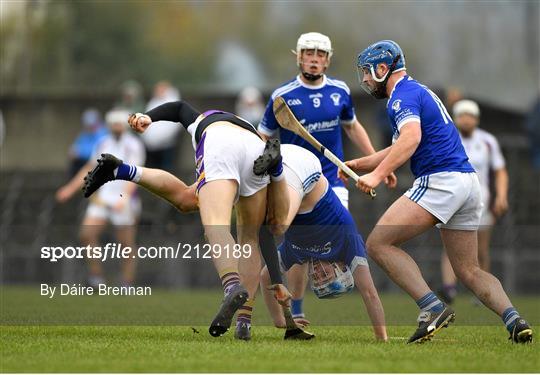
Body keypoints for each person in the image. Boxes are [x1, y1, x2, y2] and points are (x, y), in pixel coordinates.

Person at [82, 143, 387, 342]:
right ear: (341, 268)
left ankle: (124, 170)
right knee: (278, 223)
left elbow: (268, 277)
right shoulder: (348, 239)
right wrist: (382, 338)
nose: (318, 275)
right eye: (326, 276)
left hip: (251, 162)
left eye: (317, 281)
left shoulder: (299, 253)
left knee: (191, 201)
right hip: (303, 170)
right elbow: (371, 294)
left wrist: (284, 322)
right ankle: (276, 167)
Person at [343, 40, 532, 344]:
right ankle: (515, 321)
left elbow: (411, 140)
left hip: (441, 181)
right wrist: (361, 163)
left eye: (367, 71)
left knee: (378, 244)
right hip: (468, 184)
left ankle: (432, 308)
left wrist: (377, 175)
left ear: (382, 68)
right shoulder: (417, 91)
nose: (364, 79)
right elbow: (399, 145)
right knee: (468, 270)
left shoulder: (400, 97)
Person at [117, 100, 291, 337]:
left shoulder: (203, 122)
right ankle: (244, 322)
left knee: (216, 224)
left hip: (220, 144)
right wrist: (277, 278)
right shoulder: (244, 126)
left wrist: (147, 116)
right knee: (250, 239)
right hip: (256, 148)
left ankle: (231, 285)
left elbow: (178, 108)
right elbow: (266, 234)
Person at [257, 32, 396, 323]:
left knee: (324, 242)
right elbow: (263, 137)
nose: (314, 59)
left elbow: (353, 127)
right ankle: (296, 311)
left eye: (320, 55)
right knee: (299, 247)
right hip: (294, 183)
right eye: (309, 53)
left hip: (332, 182)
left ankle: (340, 284)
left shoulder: (340, 91)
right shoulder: (282, 96)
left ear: (328, 60)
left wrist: (379, 162)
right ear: (299, 56)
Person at [56, 108, 145, 287]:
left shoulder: (134, 145)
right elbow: (88, 168)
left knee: (126, 244)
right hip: (103, 198)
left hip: (123, 200)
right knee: (86, 235)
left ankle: (126, 282)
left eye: (119, 124)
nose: (116, 127)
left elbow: (136, 174)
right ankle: (97, 277)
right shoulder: (103, 143)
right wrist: (70, 189)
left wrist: (125, 197)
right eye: (113, 124)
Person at [439, 99, 509, 304]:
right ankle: (449, 288)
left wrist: (501, 196)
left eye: (470, 116)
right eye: (462, 115)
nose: (466, 120)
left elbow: (500, 171)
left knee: (480, 249)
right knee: (451, 245)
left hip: (482, 201)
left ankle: (482, 292)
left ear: (476, 119)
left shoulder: (488, 141)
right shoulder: (448, 138)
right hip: (454, 198)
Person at [141, 81, 182, 171]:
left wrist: (161, 139)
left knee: (166, 171)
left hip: (166, 145)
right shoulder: (153, 102)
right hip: (150, 145)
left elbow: (173, 125)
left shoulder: (173, 102)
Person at [68, 108, 108, 176]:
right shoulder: (84, 133)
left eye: (92, 125)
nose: (89, 127)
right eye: (87, 125)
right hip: (82, 163)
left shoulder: (103, 133)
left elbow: (97, 152)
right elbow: (76, 146)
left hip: (96, 164)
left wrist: (80, 153)